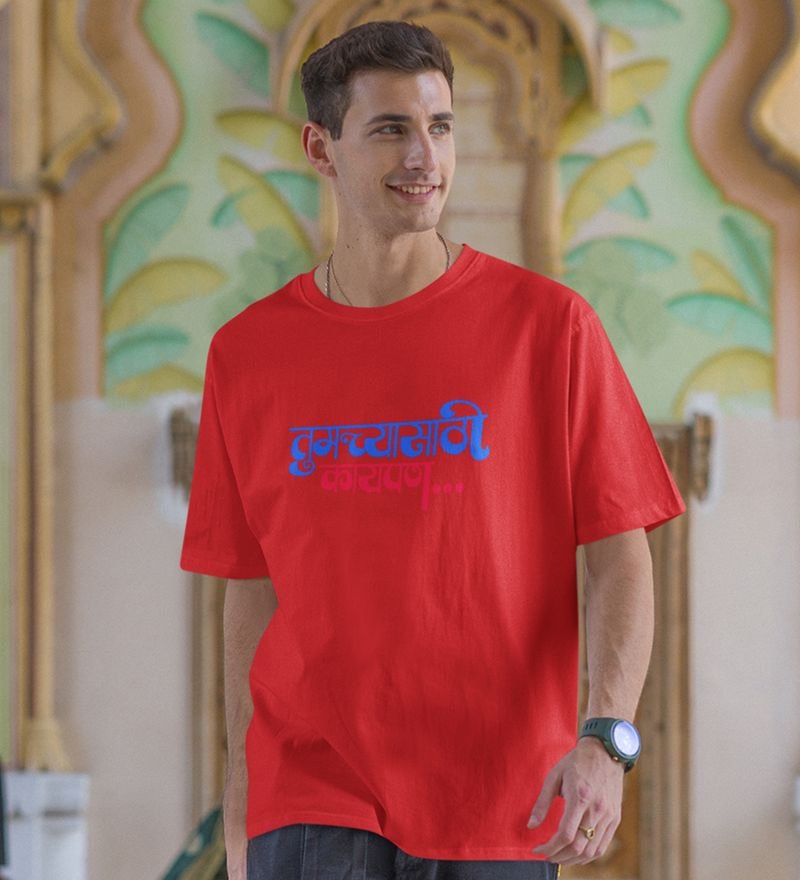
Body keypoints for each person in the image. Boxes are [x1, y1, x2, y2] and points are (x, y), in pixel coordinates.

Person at [179, 18, 686, 880]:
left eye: (440, 126)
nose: (424, 157)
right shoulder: (248, 353)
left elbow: (620, 555)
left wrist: (607, 739)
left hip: (500, 793)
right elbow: (249, 588)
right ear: (321, 147)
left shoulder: (549, 329)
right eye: (390, 129)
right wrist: (241, 788)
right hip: (311, 787)